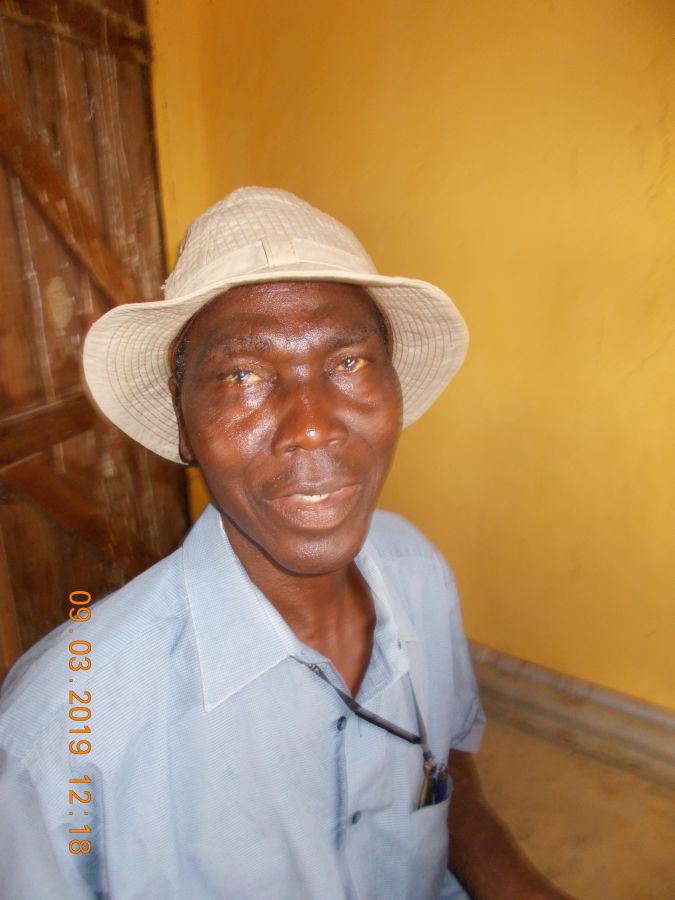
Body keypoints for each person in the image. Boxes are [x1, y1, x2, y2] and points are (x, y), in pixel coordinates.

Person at [0, 187, 569, 899]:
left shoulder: (417, 571)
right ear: (183, 427)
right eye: (242, 376)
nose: (311, 426)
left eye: (349, 363)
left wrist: (510, 879)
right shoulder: (64, 733)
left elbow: (444, 760)